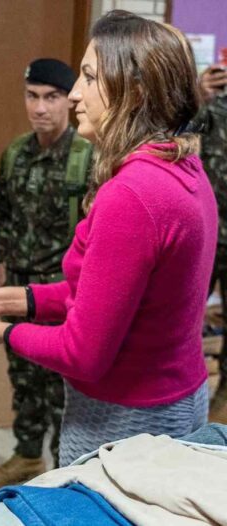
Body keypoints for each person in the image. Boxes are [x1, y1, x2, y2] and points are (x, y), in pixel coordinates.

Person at [0, 10, 214, 467]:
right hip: (171, 400)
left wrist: (0, 332)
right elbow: (92, 293)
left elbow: (82, 353)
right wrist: (3, 300)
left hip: (128, 418)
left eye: (88, 76)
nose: (74, 95)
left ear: (136, 90)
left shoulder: (133, 194)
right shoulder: (180, 165)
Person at [0, 58, 92, 488]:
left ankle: (65, 471)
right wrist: (0, 261)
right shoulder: (15, 154)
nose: (40, 107)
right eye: (32, 96)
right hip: (19, 286)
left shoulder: (87, 159)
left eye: (51, 97)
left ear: (69, 100)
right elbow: (3, 212)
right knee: (23, 376)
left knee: (62, 390)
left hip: (64, 294)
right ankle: (28, 454)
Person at [195, 64, 227, 423]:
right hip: (206, 229)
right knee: (186, 311)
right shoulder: (213, 106)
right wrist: (199, 95)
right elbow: (178, 128)